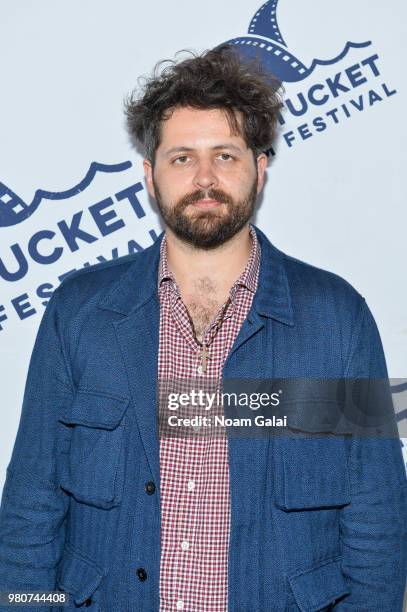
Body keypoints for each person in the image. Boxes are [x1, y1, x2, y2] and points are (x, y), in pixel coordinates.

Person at [0, 44, 405, 612]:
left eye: (226, 155)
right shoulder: (81, 313)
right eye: (182, 157)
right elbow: (30, 507)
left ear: (260, 170)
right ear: (150, 175)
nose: (206, 177)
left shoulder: (334, 318)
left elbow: (375, 516)